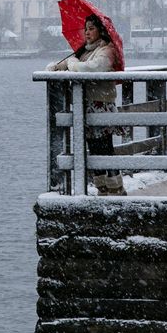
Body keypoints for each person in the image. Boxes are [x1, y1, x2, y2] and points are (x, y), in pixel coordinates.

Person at [47, 14, 127, 196]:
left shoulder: (107, 50)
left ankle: (116, 187)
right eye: (86, 28)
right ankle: (102, 187)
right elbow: (72, 64)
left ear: (101, 30)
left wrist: (73, 63)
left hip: (102, 104)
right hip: (87, 105)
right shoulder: (84, 51)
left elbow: (92, 68)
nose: (88, 32)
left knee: (105, 148)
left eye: (92, 28)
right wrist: (57, 66)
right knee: (93, 147)